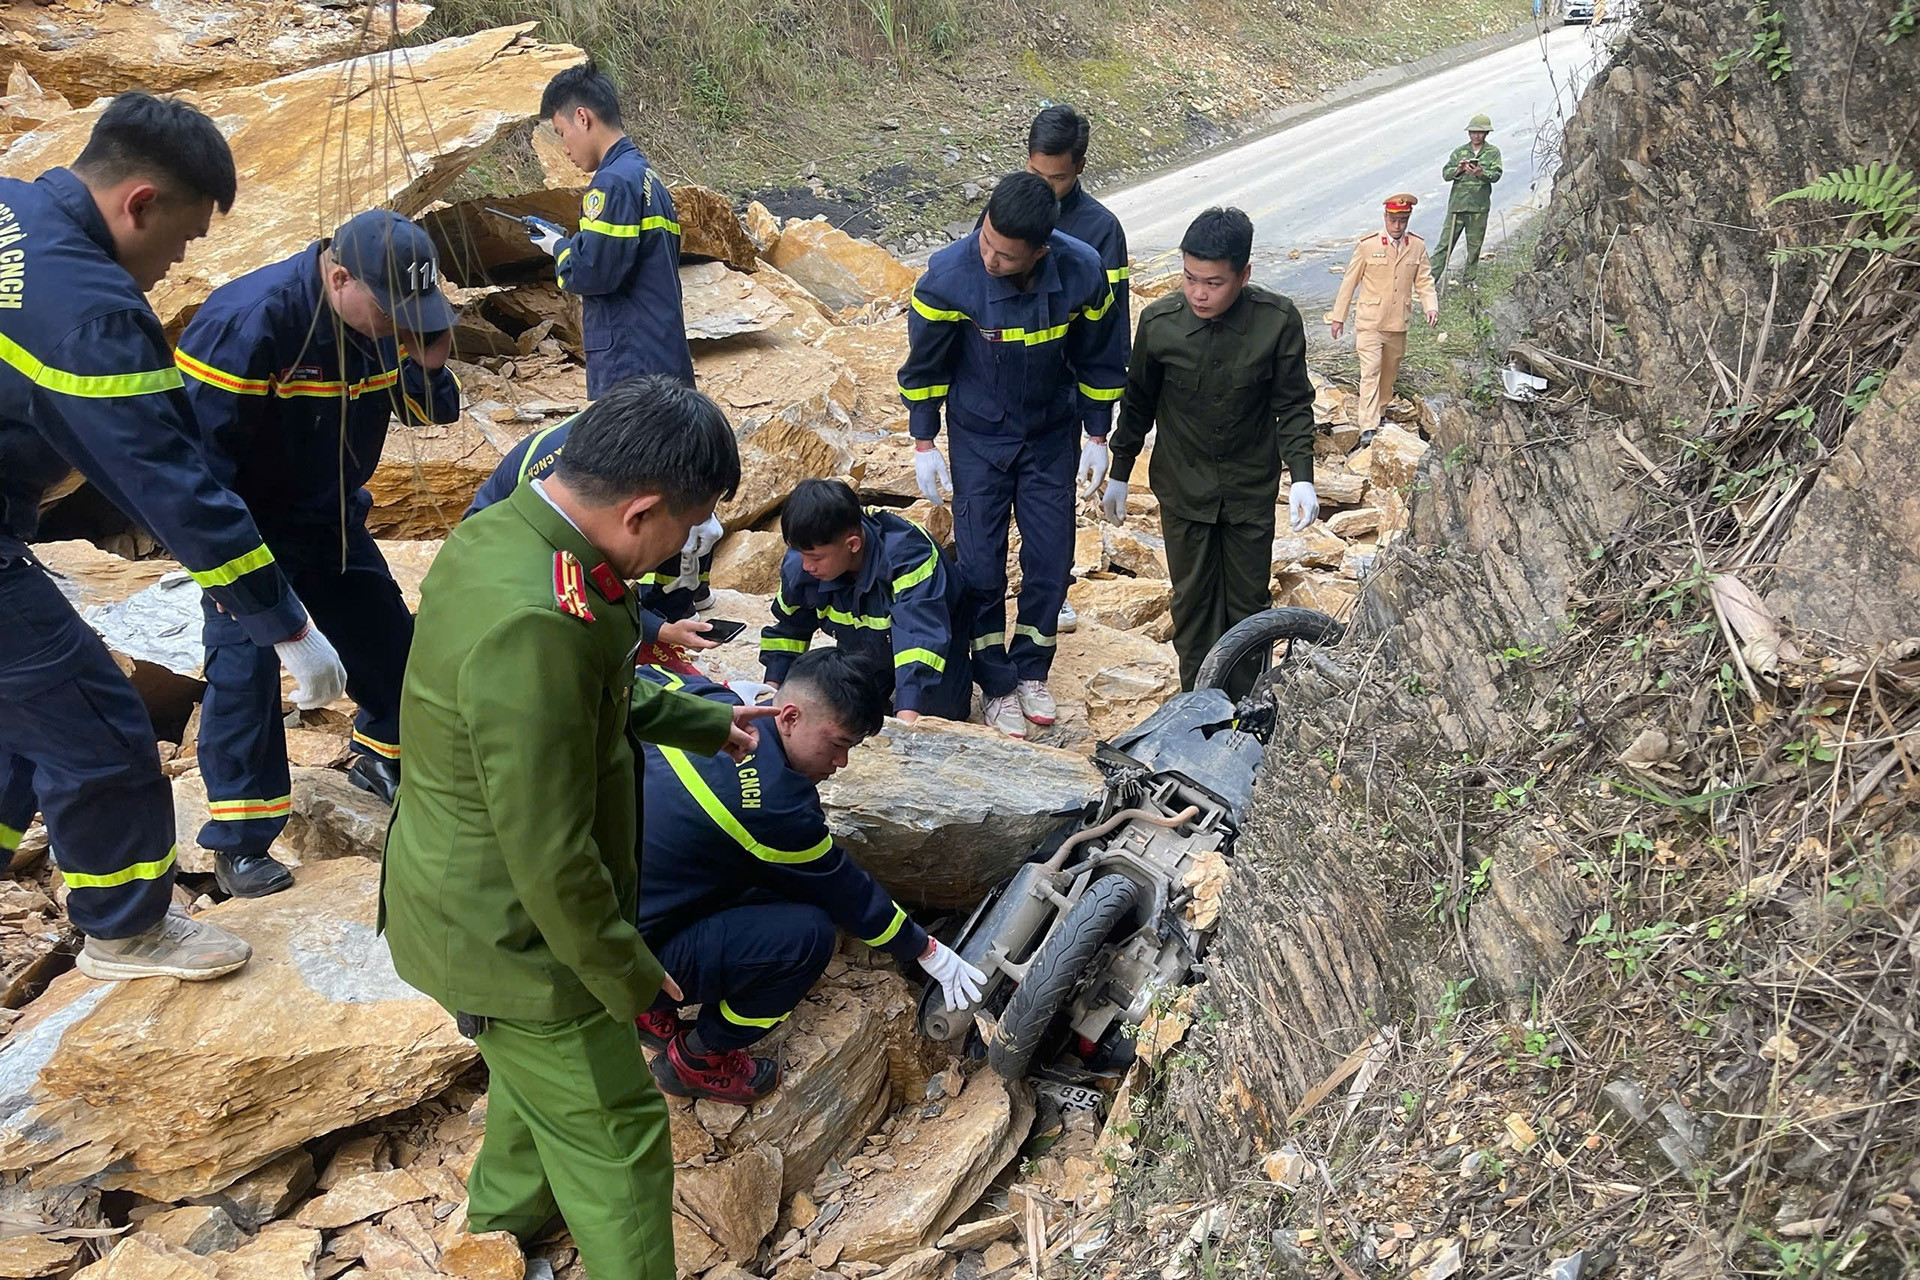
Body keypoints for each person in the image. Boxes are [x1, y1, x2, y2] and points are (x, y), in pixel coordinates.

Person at [381, 376, 772, 1280]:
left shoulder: (512, 530)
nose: (688, 546)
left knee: (536, 1088)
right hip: (511, 937)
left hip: (465, 904)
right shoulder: (539, 624)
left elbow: (577, 702)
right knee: (619, 1131)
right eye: (689, 526)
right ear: (641, 509)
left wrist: (704, 721)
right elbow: (553, 859)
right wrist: (632, 979)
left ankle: (497, 1236)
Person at [0, 93, 348, 980]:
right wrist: (288, 627)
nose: (175, 265)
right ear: (140, 203)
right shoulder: (91, 314)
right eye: (183, 240)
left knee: (17, 719)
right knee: (99, 729)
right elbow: (177, 492)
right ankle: (127, 929)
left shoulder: (11, 208)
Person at [173, 210, 460, 898]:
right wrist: (241, 585)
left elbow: (430, 416)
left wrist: (429, 361)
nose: (398, 323)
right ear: (338, 277)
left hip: (330, 516)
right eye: (392, 310)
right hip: (243, 527)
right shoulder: (250, 324)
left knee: (392, 644)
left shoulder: (381, 321)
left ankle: (379, 755)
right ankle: (239, 843)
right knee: (244, 676)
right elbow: (193, 472)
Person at [635, 649, 986, 1104]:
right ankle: (699, 1058)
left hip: (590, 913)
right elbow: (848, 893)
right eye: (837, 743)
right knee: (807, 938)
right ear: (790, 716)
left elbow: (641, 674)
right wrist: (926, 949)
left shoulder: (692, 697)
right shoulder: (777, 806)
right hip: (622, 965)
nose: (840, 762)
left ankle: (650, 1012)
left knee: (753, 875)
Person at [897, 172, 1127, 739]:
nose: (991, 257)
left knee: (1051, 559)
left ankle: (1030, 669)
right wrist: (924, 440)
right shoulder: (950, 278)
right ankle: (995, 682)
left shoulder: (1081, 272)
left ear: (1040, 251)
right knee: (980, 565)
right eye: (987, 243)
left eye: (1005, 255)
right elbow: (926, 365)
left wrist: (1098, 434)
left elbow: (1099, 357)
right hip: (980, 437)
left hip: (1051, 433)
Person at [1103, 208, 1316, 691]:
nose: (1198, 293)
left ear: (1244, 275)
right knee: (1193, 604)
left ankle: (1245, 712)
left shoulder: (1277, 322)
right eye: (1189, 278)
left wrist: (1301, 473)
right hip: (1184, 489)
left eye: (1214, 282)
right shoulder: (1160, 324)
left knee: (1247, 607)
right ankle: (1195, 709)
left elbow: (1294, 403)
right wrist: (1120, 469)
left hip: (1249, 489)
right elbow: (1137, 404)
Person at [465, 414, 725, 670]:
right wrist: (655, 629)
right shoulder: (570, 504)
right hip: (493, 554)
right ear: (639, 511)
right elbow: (584, 590)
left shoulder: (631, 443)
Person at [1026, 102, 1132, 636]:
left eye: (1059, 178)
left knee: (1051, 498)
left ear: (1080, 168)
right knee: (989, 500)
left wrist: (1099, 425)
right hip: (1001, 384)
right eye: (1037, 175)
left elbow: (1110, 333)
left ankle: (1051, 592)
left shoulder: (1100, 229)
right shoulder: (1010, 208)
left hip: (1063, 389)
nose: (1047, 188)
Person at [525, 62, 693, 396]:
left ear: (583, 118)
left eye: (561, 133)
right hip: (661, 357)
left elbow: (592, 273)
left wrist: (559, 248)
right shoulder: (646, 177)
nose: (565, 148)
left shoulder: (612, 184)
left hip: (630, 368)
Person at [759, 478, 972, 723]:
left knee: (939, 715)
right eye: (801, 554)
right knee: (846, 713)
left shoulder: (908, 558)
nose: (807, 566)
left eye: (815, 558)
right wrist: (771, 696)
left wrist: (906, 724)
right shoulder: (804, 562)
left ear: (853, 545)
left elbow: (920, 639)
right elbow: (790, 629)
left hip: (937, 636)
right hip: (863, 643)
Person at [1325, 193, 1438, 435]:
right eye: (1393, 220)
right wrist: (1339, 317)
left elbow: (1424, 280)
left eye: (1403, 221)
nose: (1397, 226)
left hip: (1398, 323)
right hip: (1370, 322)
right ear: (1385, 217)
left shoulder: (1417, 246)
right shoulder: (1368, 246)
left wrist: (1431, 306)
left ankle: (1382, 411)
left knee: (1389, 373)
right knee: (1370, 372)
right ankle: (1368, 426)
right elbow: (1349, 282)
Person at [1432, 115, 1503, 283]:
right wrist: (1459, 169)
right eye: (1473, 132)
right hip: (1457, 206)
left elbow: (1496, 175)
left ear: (1486, 133)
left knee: (1474, 247)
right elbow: (1446, 174)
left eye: (1479, 132)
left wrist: (1481, 173)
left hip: (1478, 207)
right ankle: (1429, 283)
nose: (1476, 136)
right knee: (1444, 246)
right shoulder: (1459, 152)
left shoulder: (1493, 152)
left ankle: (1469, 282)